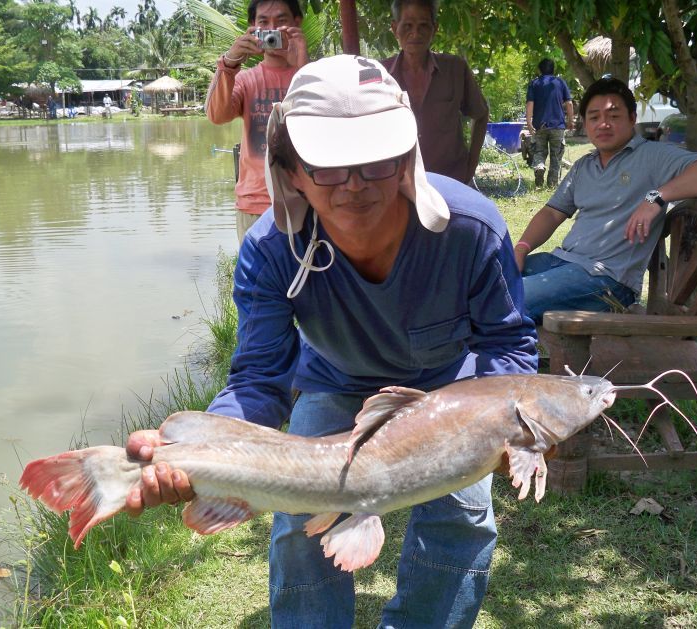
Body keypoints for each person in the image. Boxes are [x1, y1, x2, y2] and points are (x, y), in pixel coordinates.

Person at [125, 55, 538, 627]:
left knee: (462, 519)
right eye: (328, 165)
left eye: (374, 161)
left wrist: (522, 421)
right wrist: (206, 449)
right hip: (336, 379)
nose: (354, 185)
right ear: (290, 169)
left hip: (447, 385)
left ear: (404, 160)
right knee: (299, 523)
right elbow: (258, 379)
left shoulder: (472, 230)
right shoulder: (270, 251)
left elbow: (508, 343)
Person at [515, 76, 697, 324]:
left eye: (613, 116)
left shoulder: (652, 155)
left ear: (632, 119)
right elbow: (552, 213)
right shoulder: (584, 166)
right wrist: (522, 247)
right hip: (559, 262)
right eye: (594, 117)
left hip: (606, 279)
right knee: (481, 278)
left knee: (504, 298)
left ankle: (500, 357)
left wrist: (655, 197)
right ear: (585, 123)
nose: (603, 124)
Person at [205, 0, 308, 244]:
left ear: (297, 23)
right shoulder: (245, 80)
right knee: (257, 282)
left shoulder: (313, 74)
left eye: (281, 21)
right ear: (253, 28)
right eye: (264, 22)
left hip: (308, 200)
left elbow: (325, 120)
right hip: (255, 205)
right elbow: (215, 115)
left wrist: (303, 64)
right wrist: (229, 63)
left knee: (309, 279)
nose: (272, 28)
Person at [380, 0, 489, 185]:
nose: (415, 33)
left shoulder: (455, 69)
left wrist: (471, 165)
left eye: (424, 26)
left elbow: (481, 114)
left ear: (435, 28)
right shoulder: (380, 75)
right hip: (398, 185)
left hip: (452, 181)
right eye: (407, 26)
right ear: (394, 28)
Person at [525, 58, 574, 188]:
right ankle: (552, 184)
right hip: (558, 125)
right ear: (554, 69)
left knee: (539, 151)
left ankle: (540, 167)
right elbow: (569, 103)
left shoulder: (534, 83)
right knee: (556, 156)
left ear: (539, 70)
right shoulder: (560, 82)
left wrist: (529, 123)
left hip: (539, 125)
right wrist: (571, 120)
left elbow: (530, 103)